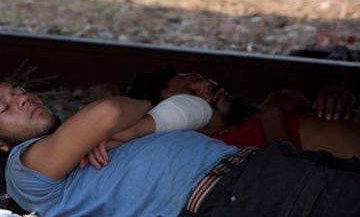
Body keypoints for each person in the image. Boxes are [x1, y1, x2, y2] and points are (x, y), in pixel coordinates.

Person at [0, 69, 360, 217]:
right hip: (235, 194)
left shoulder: (90, 135)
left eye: (18, 90)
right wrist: (121, 121)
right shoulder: (23, 167)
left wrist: (138, 128)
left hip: (265, 169)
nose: (24, 98)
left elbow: (193, 108)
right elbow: (109, 111)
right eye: (6, 106)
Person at [126, 65, 360, 158]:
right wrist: (272, 115)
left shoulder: (250, 118)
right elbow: (292, 180)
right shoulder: (221, 153)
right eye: (192, 94)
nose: (207, 84)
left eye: (199, 79)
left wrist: (334, 99)